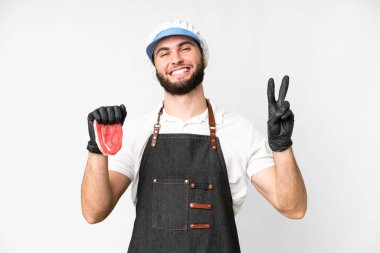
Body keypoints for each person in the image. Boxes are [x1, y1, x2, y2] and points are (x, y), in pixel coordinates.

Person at [81, 19, 307, 253]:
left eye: (185, 48)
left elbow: (294, 207)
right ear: (156, 67)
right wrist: (97, 150)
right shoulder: (138, 132)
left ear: (203, 58)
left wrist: (282, 147)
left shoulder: (238, 131)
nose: (176, 58)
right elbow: (94, 212)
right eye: (164, 53)